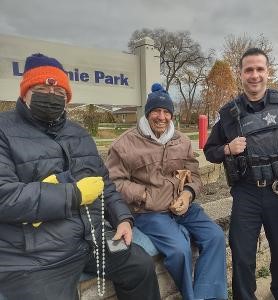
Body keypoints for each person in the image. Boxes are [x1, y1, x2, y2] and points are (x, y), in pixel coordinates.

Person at [0, 53, 161, 300]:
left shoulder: (80, 134)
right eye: (42, 88)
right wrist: (73, 194)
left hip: (93, 240)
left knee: (140, 265)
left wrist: (123, 218)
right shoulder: (4, 131)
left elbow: (104, 184)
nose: (51, 96)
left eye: (59, 93)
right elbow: (5, 197)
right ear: (24, 92)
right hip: (37, 254)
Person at [203, 48, 278, 300]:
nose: (254, 75)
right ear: (240, 74)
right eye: (248, 70)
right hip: (247, 193)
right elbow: (210, 151)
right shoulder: (228, 114)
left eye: (259, 69)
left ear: (268, 72)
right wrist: (227, 149)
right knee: (242, 255)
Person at [106, 83, 228, 300]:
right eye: (156, 111)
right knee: (180, 250)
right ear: (147, 113)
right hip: (149, 212)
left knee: (215, 236)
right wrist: (144, 195)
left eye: (166, 112)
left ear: (171, 115)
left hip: (183, 207)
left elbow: (195, 175)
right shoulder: (124, 144)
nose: (161, 117)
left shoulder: (181, 140)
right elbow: (113, 182)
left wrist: (188, 194)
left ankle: (205, 296)